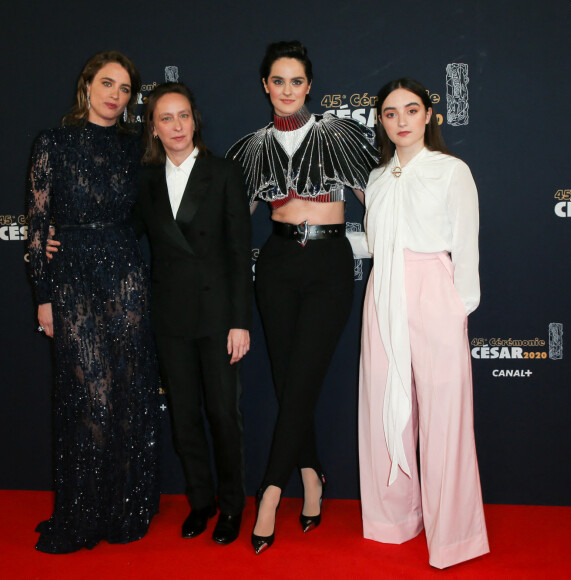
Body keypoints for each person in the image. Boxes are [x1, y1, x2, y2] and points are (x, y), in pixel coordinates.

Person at [227, 40, 378, 553]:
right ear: (265, 86)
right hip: (275, 265)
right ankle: (311, 476)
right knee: (292, 380)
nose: (287, 90)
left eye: (297, 81)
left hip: (329, 266)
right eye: (278, 80)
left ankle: (269, 494)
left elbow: (378, 200)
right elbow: (227, 225)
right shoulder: (249, 148)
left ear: (309, 86)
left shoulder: (342, 134)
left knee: (304, 374)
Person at [27, 50, 160, 554]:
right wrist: (44, 297)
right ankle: (83, 511)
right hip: (72, 277)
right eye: (108, 84)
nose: (115, 96)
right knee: (92, 397)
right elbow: (39, 227)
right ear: (87, 87)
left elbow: (153, 210)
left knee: (128, 395)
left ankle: (125, 508)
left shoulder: (136, 146)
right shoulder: (53, 143)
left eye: (125, 89)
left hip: (125, 272)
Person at [358, 78, 489, 568]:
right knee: (382, 407)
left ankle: (455, 535)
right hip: (383, 291)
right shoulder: (376, 178)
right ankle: (393, 520)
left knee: (445, 414)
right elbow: (374, 243)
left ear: (429, 114)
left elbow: (467, 242)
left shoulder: (451, 171)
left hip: (436, 289)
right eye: (390, 113)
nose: (401, 121)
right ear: (382, 122)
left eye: (410, 110)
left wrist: (459, 307)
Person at [132, 82, 252, 545]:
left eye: (183, 116)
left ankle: (231, 505)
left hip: (219, 315)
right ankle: (200, 502)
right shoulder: (144, 180)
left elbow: (241, 253)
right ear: (154, 128)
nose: (177, 126)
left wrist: (240, 320)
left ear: (194, 120)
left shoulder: (223, 173)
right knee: (184, 417)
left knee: (223, 414)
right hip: (169, 316)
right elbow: (126, 236)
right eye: (166, 118)